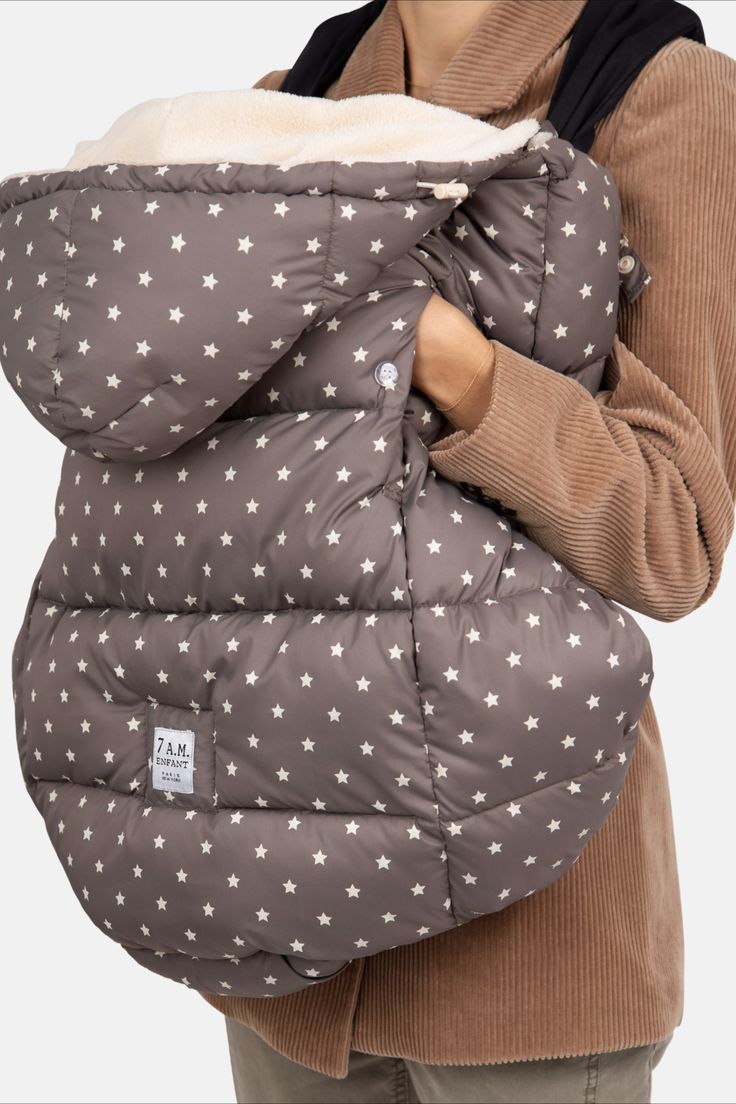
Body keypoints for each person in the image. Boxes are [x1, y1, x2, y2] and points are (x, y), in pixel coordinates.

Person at [201, 2, 736, 1101]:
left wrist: (461, 366)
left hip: (527, 961)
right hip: (283, 936)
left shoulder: (661, 95)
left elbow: (673, 537)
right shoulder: (287, 101)